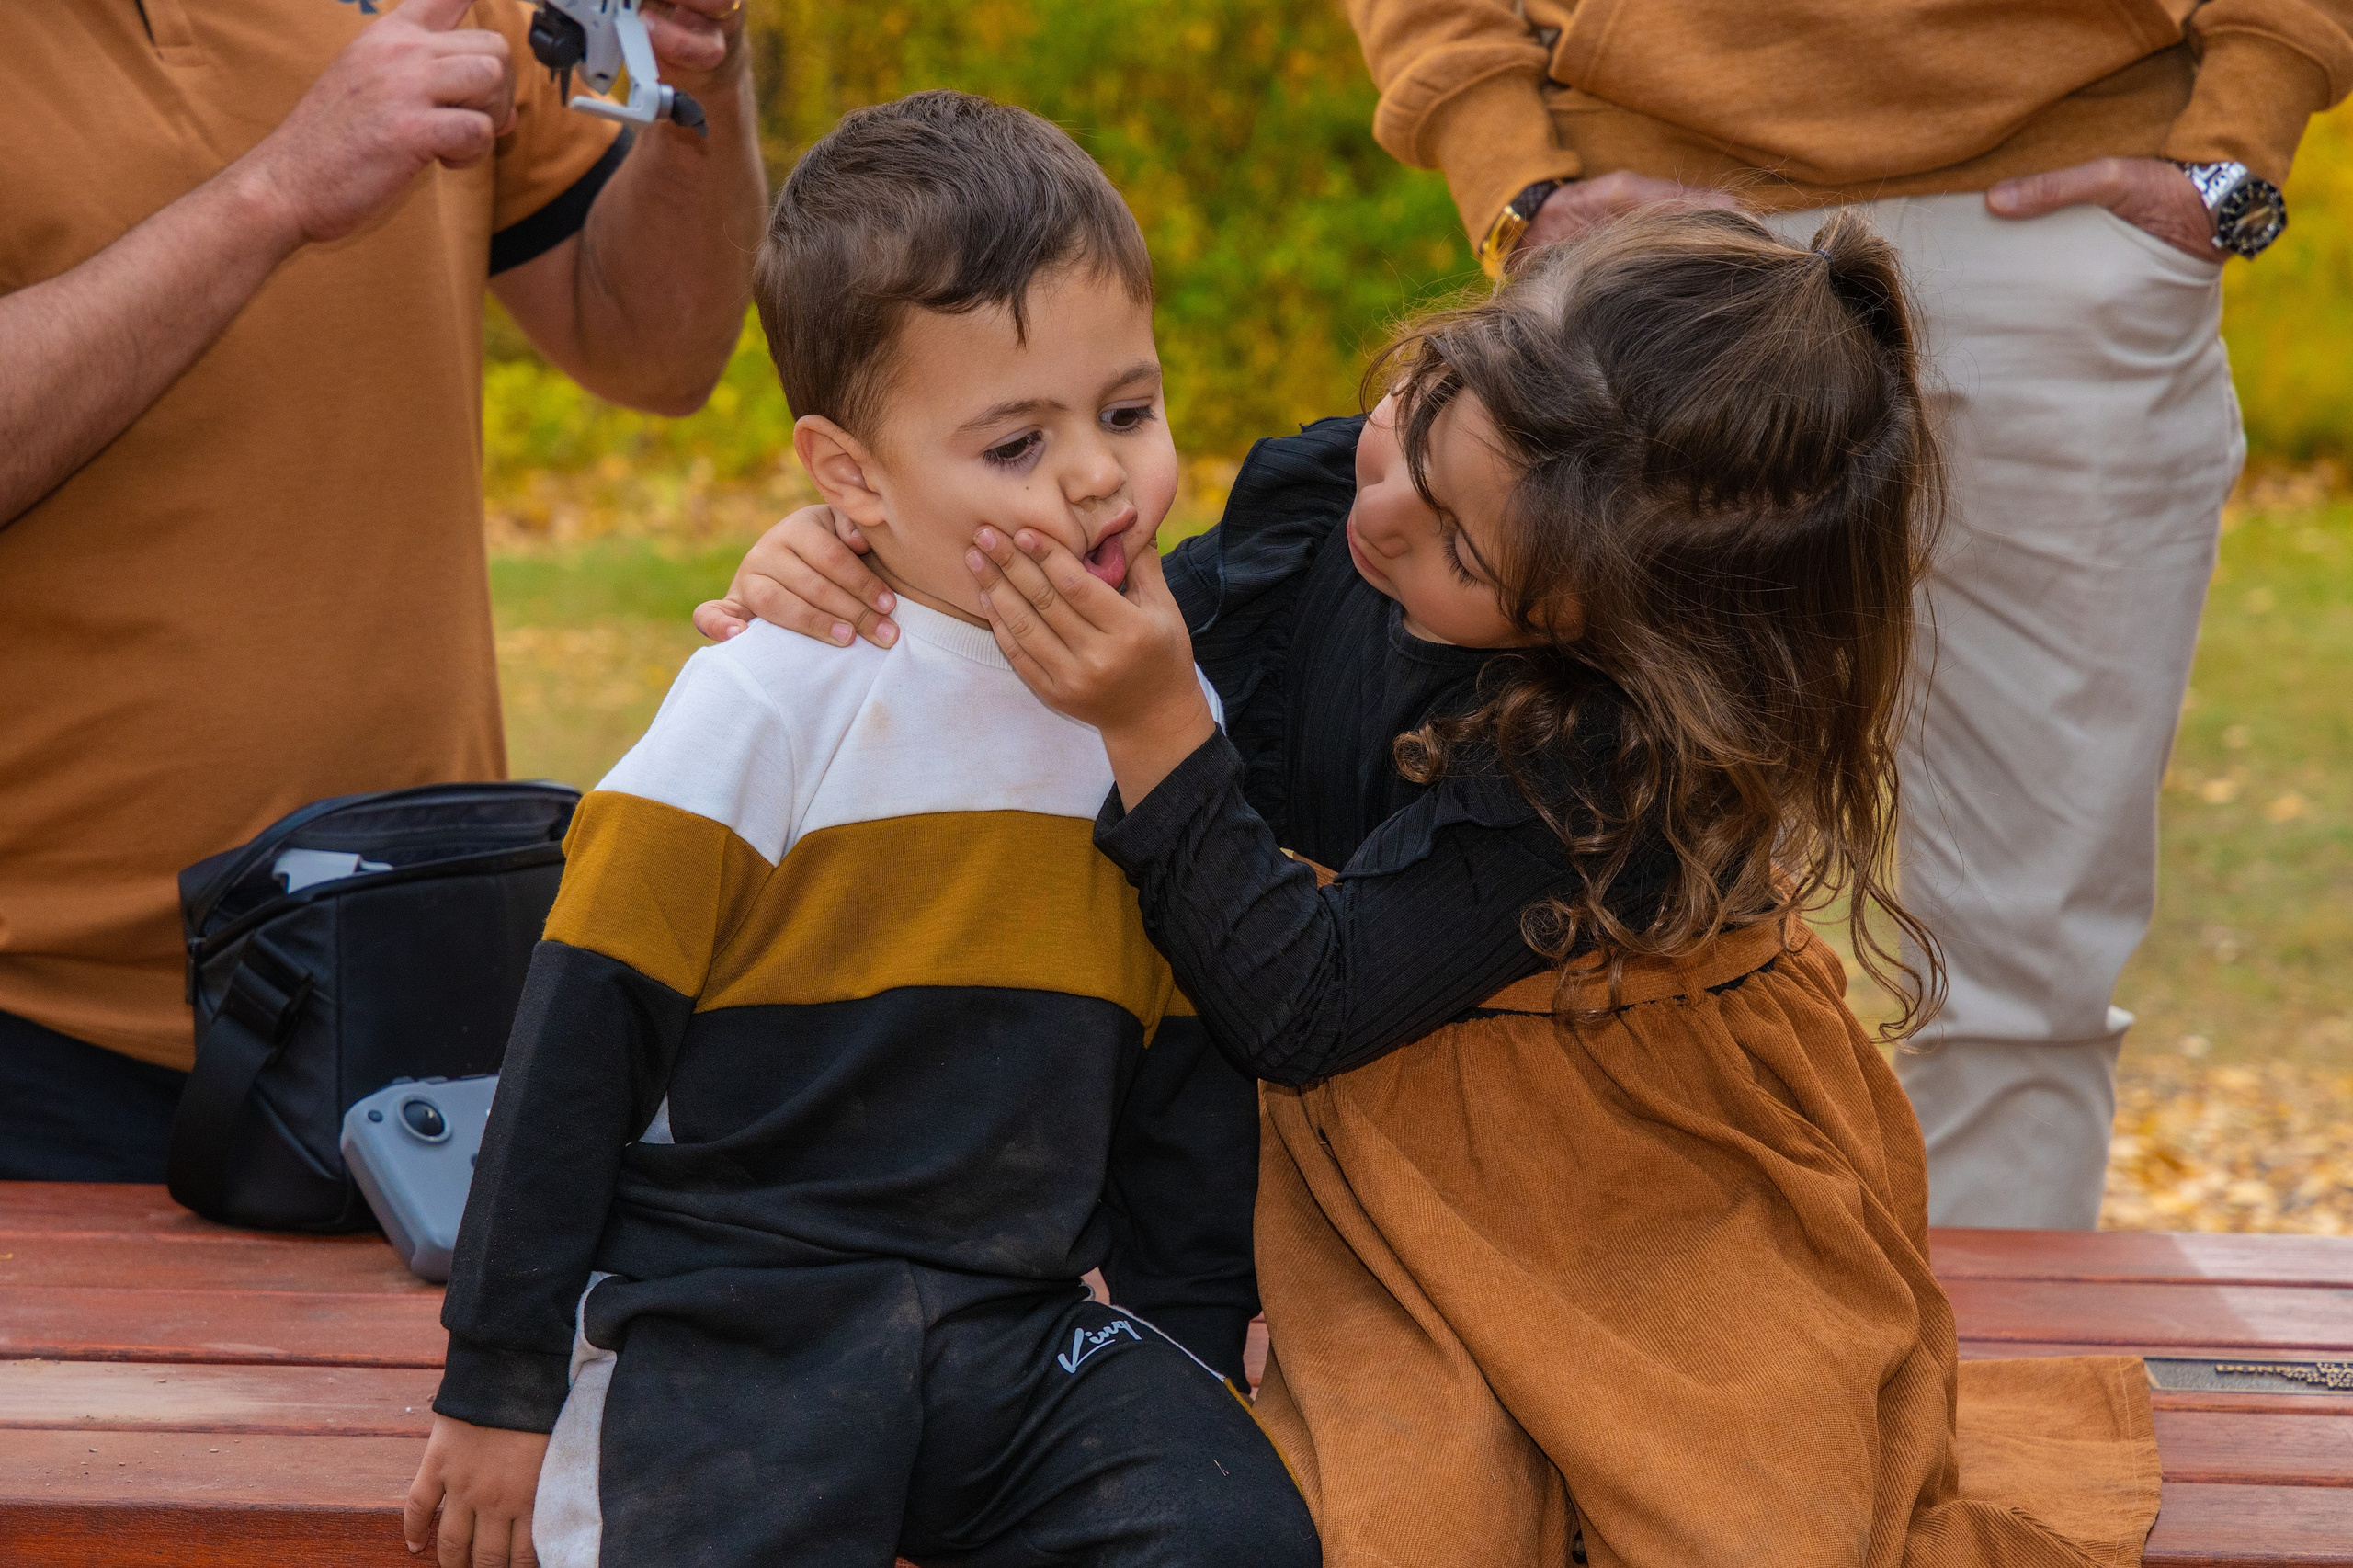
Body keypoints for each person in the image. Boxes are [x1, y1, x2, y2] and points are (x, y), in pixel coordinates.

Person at [705, 207, 2163, 1564]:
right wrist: (862, 560)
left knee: (1679, 1506)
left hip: (1618, 1179)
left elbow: (1302, 1004)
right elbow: (1074, 643)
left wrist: (1155, 723)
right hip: (1347, 1136)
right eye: (1419, 417)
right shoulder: (1322, 508)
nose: (1390, 513)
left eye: (1462, 546)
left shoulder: (1619, 767)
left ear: (1611, 628)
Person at [403, 92, 1318, 1568]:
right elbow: (576, 1047)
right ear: (850, 478)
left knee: (1233, 1532)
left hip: (1021, 1331)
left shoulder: (1161, 707)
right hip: (738, 1324)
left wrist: (1191, 1350)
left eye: (1127, 412)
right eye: (1015, 443)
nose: (1099, 475)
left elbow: (1183, 1073)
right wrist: (496, 1382)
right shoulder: (768, 695)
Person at [1337, 0, 2348, 1228]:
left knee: (2028, 982)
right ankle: (1618, 1338)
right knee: (1572, 926)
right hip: (1654, 256)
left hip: (2064, 223)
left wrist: (2237, 149)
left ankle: (1984, 1353)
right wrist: (1511, 166)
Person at [0, 0, 765, 1182]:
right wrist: (276, 190)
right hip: (40, 1033)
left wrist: (702, 81)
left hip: (408, 973)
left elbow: (657, 346)